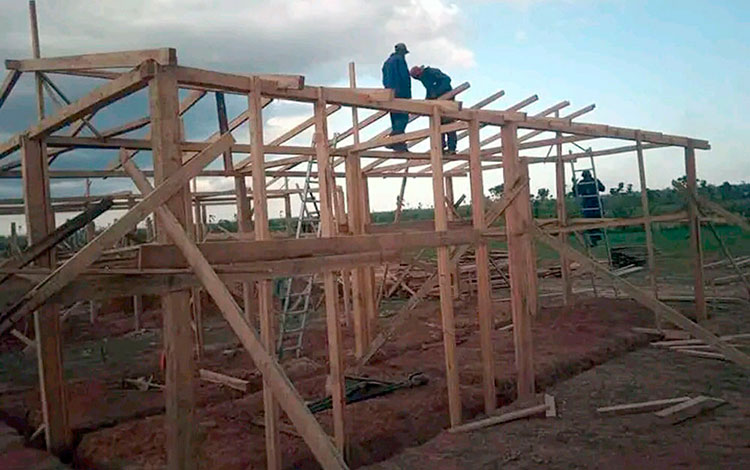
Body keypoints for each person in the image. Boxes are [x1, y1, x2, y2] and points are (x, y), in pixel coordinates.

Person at [409, 65, 456, 153]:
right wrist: (427, 100)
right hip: (437, 101)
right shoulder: (424, 77)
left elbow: (447, 80)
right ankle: (441, 147)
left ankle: (451, 148)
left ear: (419, 73)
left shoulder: (431, 72)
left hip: (446, 99)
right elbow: (430, 90)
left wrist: (438, 92)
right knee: (438, 124)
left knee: (448, 123)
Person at [381, 43, 411, 152]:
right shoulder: (400, 60)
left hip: (390, 94)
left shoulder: (387, 62)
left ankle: (397, 142)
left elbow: (384, 78)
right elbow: (404, 78)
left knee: (395, 119)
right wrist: (408, 95)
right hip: (401, 93)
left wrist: (388, 90)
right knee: (402, 119)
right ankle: (396, 141)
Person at [573, 170, 606, 246]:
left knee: (592, 222)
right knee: (592, 222)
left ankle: (595, 237)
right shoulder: (591, 181)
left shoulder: (587, 182)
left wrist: (574, 184)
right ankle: (595, 237)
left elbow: (602, 188)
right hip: (592, 204)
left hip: (592, 204)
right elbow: (576, 192)